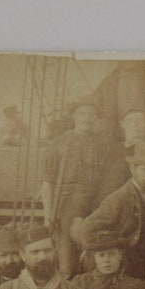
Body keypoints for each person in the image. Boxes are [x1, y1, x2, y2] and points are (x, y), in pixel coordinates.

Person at [80, 139, 145, 280]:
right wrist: (108, 253)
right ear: (132, 169)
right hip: (126, 269)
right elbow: (86, 229)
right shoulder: (118, 199)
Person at [41, 98, 110, 277]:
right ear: (73, 116)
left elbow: (106, 180)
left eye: (91, 114)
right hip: (65, 204)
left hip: (95, 203)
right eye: (82, 113)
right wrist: (48, 213)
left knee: (95, 256)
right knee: (66, 261)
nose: (86, 118)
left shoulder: (103, 144)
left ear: (96, 118)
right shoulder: (58, 143)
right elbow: (47, 181)